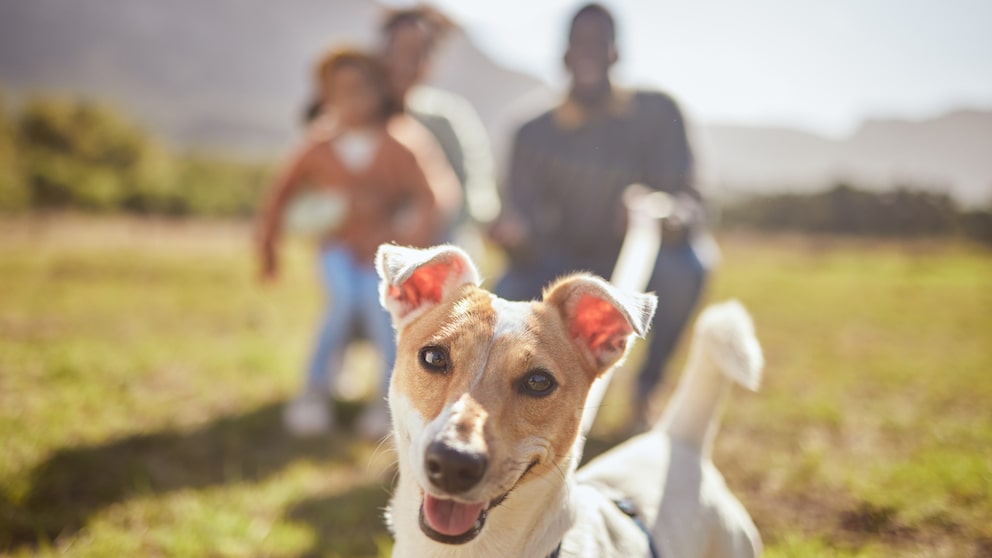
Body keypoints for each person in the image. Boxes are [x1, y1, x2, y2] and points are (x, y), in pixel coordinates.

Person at [489, 3, 713, 429]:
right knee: (508, 290)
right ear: (564, 55)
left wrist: (659, 211)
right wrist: (514, 233)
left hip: (640, 259)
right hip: (558, 263)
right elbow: (522, 217)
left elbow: (691, 201)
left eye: (599, 42)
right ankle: (510, 399)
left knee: (688, 266)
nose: (588, 53)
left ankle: (645, 392)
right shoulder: (531, 131)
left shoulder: (658, 114)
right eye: (579, 43)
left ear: (616, 53)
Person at [257, 48, 439, 437]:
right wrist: (269, 248)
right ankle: (314, 390)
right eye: (339, 91)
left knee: (381, 314)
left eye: (360, 89)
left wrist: (407, 245)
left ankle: (388, 400)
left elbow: (429, 198)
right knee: (343, 303)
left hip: (382, 255)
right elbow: (279, 195)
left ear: (379, 91)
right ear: (325, 96)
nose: (351, 100)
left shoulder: (399, 143)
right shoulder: (318, 145)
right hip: (337, 251)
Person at [378, 5, 500, 240]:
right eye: (400, 50)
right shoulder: (359, 115)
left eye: (418, 54)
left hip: (437, 243)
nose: (406, 64)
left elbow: (476, 197)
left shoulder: (446, 119)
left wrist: (427, 222)